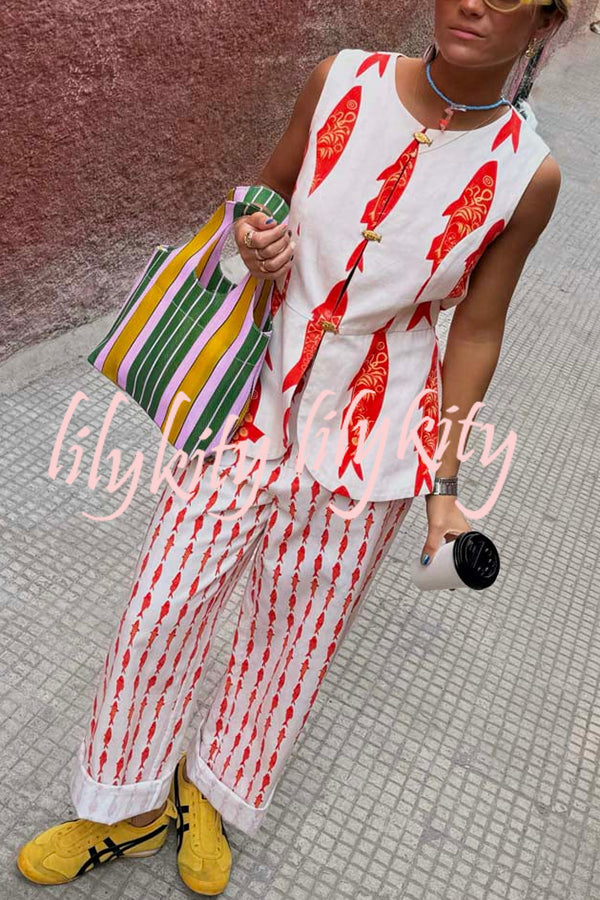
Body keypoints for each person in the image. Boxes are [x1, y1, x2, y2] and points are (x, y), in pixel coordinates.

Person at [17, 0, 569, 894]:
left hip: (374, 439)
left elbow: (476, 329)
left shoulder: (526, 176)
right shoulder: (340, 79)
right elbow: (266, 190)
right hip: (252, 399)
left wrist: (445, 485)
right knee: (163, 605)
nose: (474, 2)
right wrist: (253, 235)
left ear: (542, 24)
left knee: (292, 637)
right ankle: (121, 806)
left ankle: (209, 795)